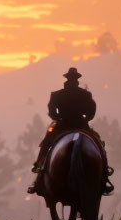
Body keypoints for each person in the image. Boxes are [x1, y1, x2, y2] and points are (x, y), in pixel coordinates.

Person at [27, 67, 114, 196]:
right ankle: (104, 173)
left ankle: (39, 168)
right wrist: (86, 118)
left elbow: (51, 111)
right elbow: (91, 112)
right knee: (99, 143)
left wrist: (58, 119)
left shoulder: (56, 94)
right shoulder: (86, 95)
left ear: (66, 79)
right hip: (81, 125)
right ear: (77, 80)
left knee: (46, 143)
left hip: (62, 125)